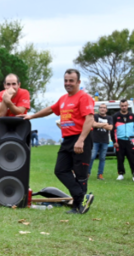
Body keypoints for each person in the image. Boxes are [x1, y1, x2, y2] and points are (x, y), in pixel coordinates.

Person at [24, 69, 95, 214]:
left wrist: (81, 140)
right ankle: (81, 198)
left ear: (78, 82)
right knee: (60, 170)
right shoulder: (63, 99)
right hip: (67, 140)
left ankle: (78, 206)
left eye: (71, 81)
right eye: (66, 80)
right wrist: (32, 116)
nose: (68, 83)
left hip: (81, 138)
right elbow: (51, 109)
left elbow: (89, 119)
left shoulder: (84, 97)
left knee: (81, 174)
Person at [113, 99, 134, 180]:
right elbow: (112, 130)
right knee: (120, 158)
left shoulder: (133, 116)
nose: (124, 107)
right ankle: (121, 174)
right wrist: (114, 141)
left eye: (125, 106)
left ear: (127, 106)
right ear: (120, 106)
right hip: (120, 141)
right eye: (122, 106)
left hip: (130, 141)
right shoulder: (115, 116)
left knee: (132, 158)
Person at [89, 103, 113, 180]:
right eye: (101, 107)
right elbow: (93, 124)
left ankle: (100, 174)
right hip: (95, 140)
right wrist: (105, 124)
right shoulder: (95, 116)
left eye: (104, 108)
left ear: (106, 110)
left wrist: (99, 124)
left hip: (105, 141)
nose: (102, 109)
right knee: (92, 157)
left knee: (102, 158)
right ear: (99, 109)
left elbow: (110, 127)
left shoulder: (110, 117)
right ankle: (87, 173)